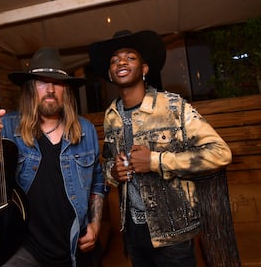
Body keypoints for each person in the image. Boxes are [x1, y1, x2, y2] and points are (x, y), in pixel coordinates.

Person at [88, 30, 233, 267]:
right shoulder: (110, 116)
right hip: (133, 231)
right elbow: (108, 167)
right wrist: (113, 174)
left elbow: (220, 152)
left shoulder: (173, 106)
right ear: (110, 74)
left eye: (130, 57)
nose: (121, 62)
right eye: (114, 60)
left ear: (145, 69)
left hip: (173, 230)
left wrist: (156, 161)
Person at [0, 47, 105, 267]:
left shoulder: (86, 130)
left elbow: (98, 181)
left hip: (76, 248)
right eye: (42, 81)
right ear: (31, 88)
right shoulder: (7, 127)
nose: (50, 89)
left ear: (66, 90)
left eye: (57, 82)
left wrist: (96, 225)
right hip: (26, 249)